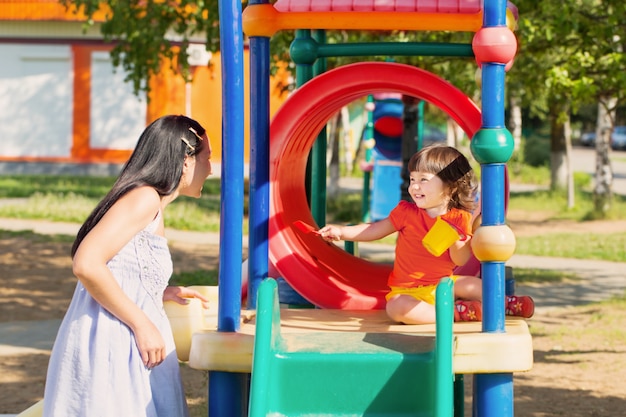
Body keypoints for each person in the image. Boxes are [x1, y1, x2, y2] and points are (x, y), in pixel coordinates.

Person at [43, 115, 213, 417]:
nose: (211, 169)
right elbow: (87, 263)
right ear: (186, 160)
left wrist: (156, 291)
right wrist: (142, 322)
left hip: (125, 343)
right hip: (111, 345)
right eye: (207, 158)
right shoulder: (144, 199)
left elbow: (117, 267)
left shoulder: (151, 203)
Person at [319, 145, 534, 325]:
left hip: (443, 285)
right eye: (412, 179)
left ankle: (506, 305)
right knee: (396, 309)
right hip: (407, 292)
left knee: (474, 285)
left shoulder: (458, 218)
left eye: (423, 180)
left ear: (450, 187)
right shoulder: (406, 213)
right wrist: (342, 232)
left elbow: (459, 260)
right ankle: (458, 313)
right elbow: (374, 229)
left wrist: (458, 239)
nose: (415, 186)